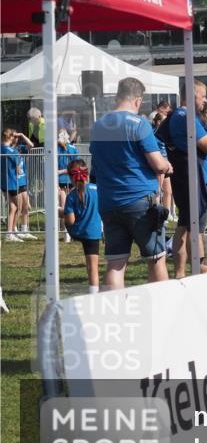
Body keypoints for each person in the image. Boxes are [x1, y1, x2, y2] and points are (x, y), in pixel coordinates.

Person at [89, 77, 173, 289]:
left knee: (116, 263)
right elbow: (158, 164)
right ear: (138, 100)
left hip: (109, 202)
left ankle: (115, 312)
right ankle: (161, 308)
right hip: (139, 200)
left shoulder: (98, 126)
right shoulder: (139, 123)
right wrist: (167, 165)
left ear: (118, 96)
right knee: (156, 258)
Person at [164, 80, 207, 278]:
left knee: (184, 226)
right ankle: (198, 271)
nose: (205, 100)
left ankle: (181, 273)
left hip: (187, 176)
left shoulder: (178, 115)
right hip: (190, 178)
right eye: (202, 95)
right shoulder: (186, 116)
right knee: (194, 229)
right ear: (191, 95)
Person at [61, 159, 102, 295]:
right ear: (87, 174)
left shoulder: (71, 196)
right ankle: (94, 293)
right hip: (94, 232)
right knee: (93, 267)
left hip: (78, 231)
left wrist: (61, 213)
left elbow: (70, 221)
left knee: (91, 267)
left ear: (71, 177)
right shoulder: (97, 190)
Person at [1, 128, 34, 242]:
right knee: (17, 207)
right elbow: (18, 169)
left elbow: (31, 146)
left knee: (14, 207)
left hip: (6, 183)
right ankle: (11, 233)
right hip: (13, 182)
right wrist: (18, 168)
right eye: (14, 136)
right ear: (9, 137)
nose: (16, 138)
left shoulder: (3, 149)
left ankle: (11, 232)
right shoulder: (11, 151)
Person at [57, 129, 79, 242]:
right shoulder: (73, 149)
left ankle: (66, 232)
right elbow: (76, 166)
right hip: (71, 180)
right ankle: (68, 232)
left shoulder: (57, 148)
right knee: (70, 206)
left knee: (64, 206)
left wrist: (60, 172)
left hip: (63, 180)